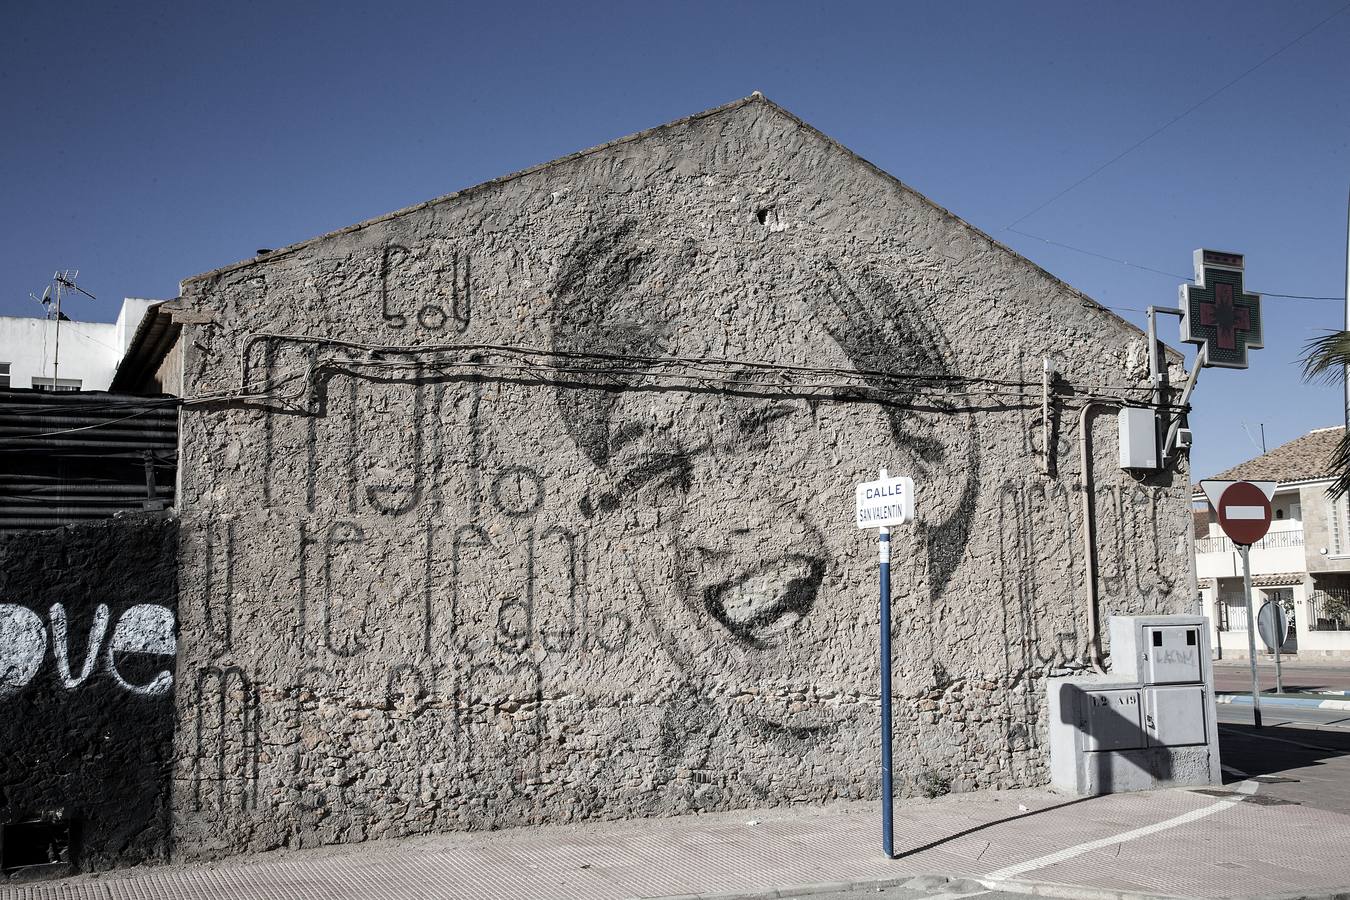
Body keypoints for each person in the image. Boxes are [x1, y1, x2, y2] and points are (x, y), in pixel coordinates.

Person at [549, 220, 981, 796]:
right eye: (649, 472)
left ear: (928, 452)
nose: (711, 523)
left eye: (766, 420)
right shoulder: (615, 781)